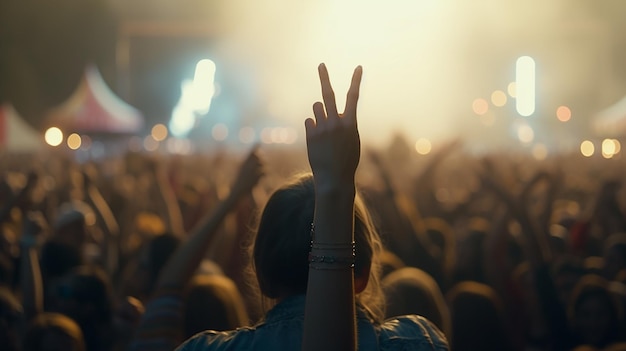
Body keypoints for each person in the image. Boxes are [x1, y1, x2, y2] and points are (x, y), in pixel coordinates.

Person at [175, 64, 448, 351]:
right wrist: (336, 189)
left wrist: (232, 198)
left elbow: (166, 293)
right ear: (363, 275)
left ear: (261, 276)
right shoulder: (413, 343)